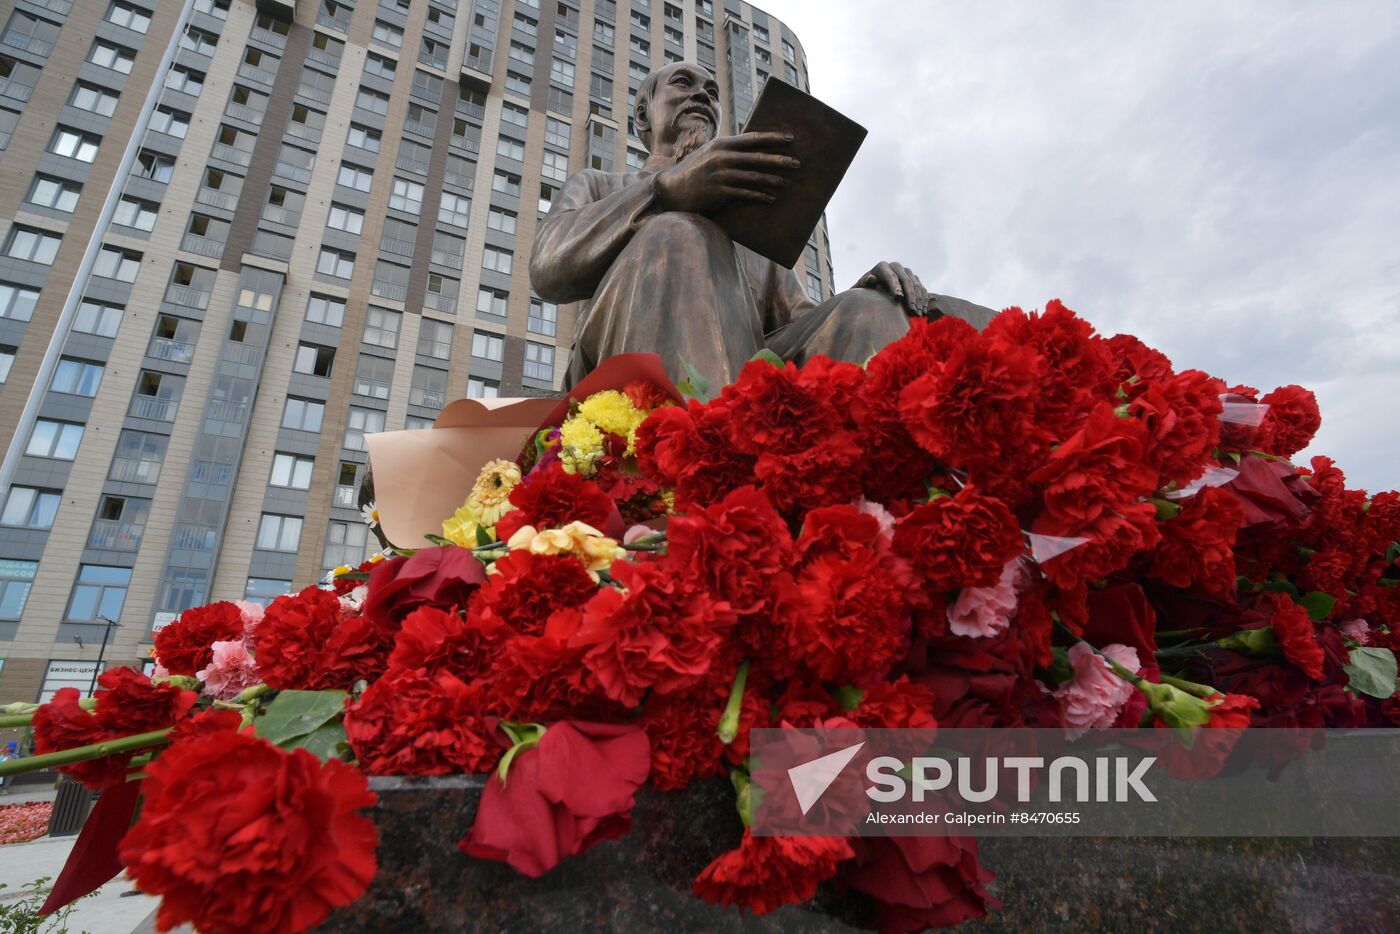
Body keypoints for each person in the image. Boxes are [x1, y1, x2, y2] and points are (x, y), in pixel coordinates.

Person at [531, 61, 995, 389]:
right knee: (677, 233)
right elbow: (549, 267)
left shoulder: (751, 214)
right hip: (620, 376)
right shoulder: (600, 184)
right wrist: (666, 192)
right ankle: (700, 478)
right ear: (641, 116)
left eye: (712, 93)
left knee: (869, 309)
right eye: (683, 83)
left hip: (748, 371)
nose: (703, 96)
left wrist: (863, 296)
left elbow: (797, 321)